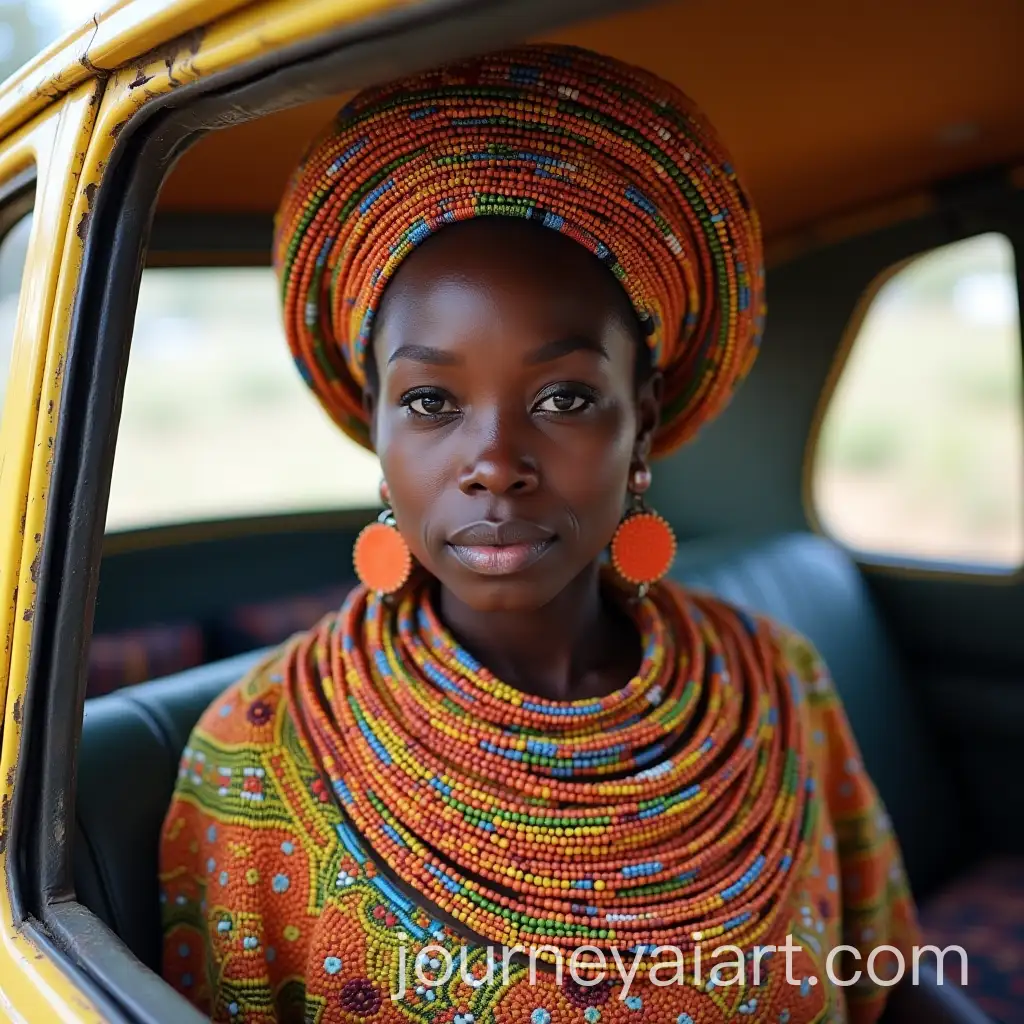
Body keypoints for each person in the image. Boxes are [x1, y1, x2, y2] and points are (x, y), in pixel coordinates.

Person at [158, 44, 982, 1024]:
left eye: (563, 395)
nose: (494, 459)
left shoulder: (773, 683)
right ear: (373, 427)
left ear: (642, 418)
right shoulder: (258, 759)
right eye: (430, 399)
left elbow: (881, 983)